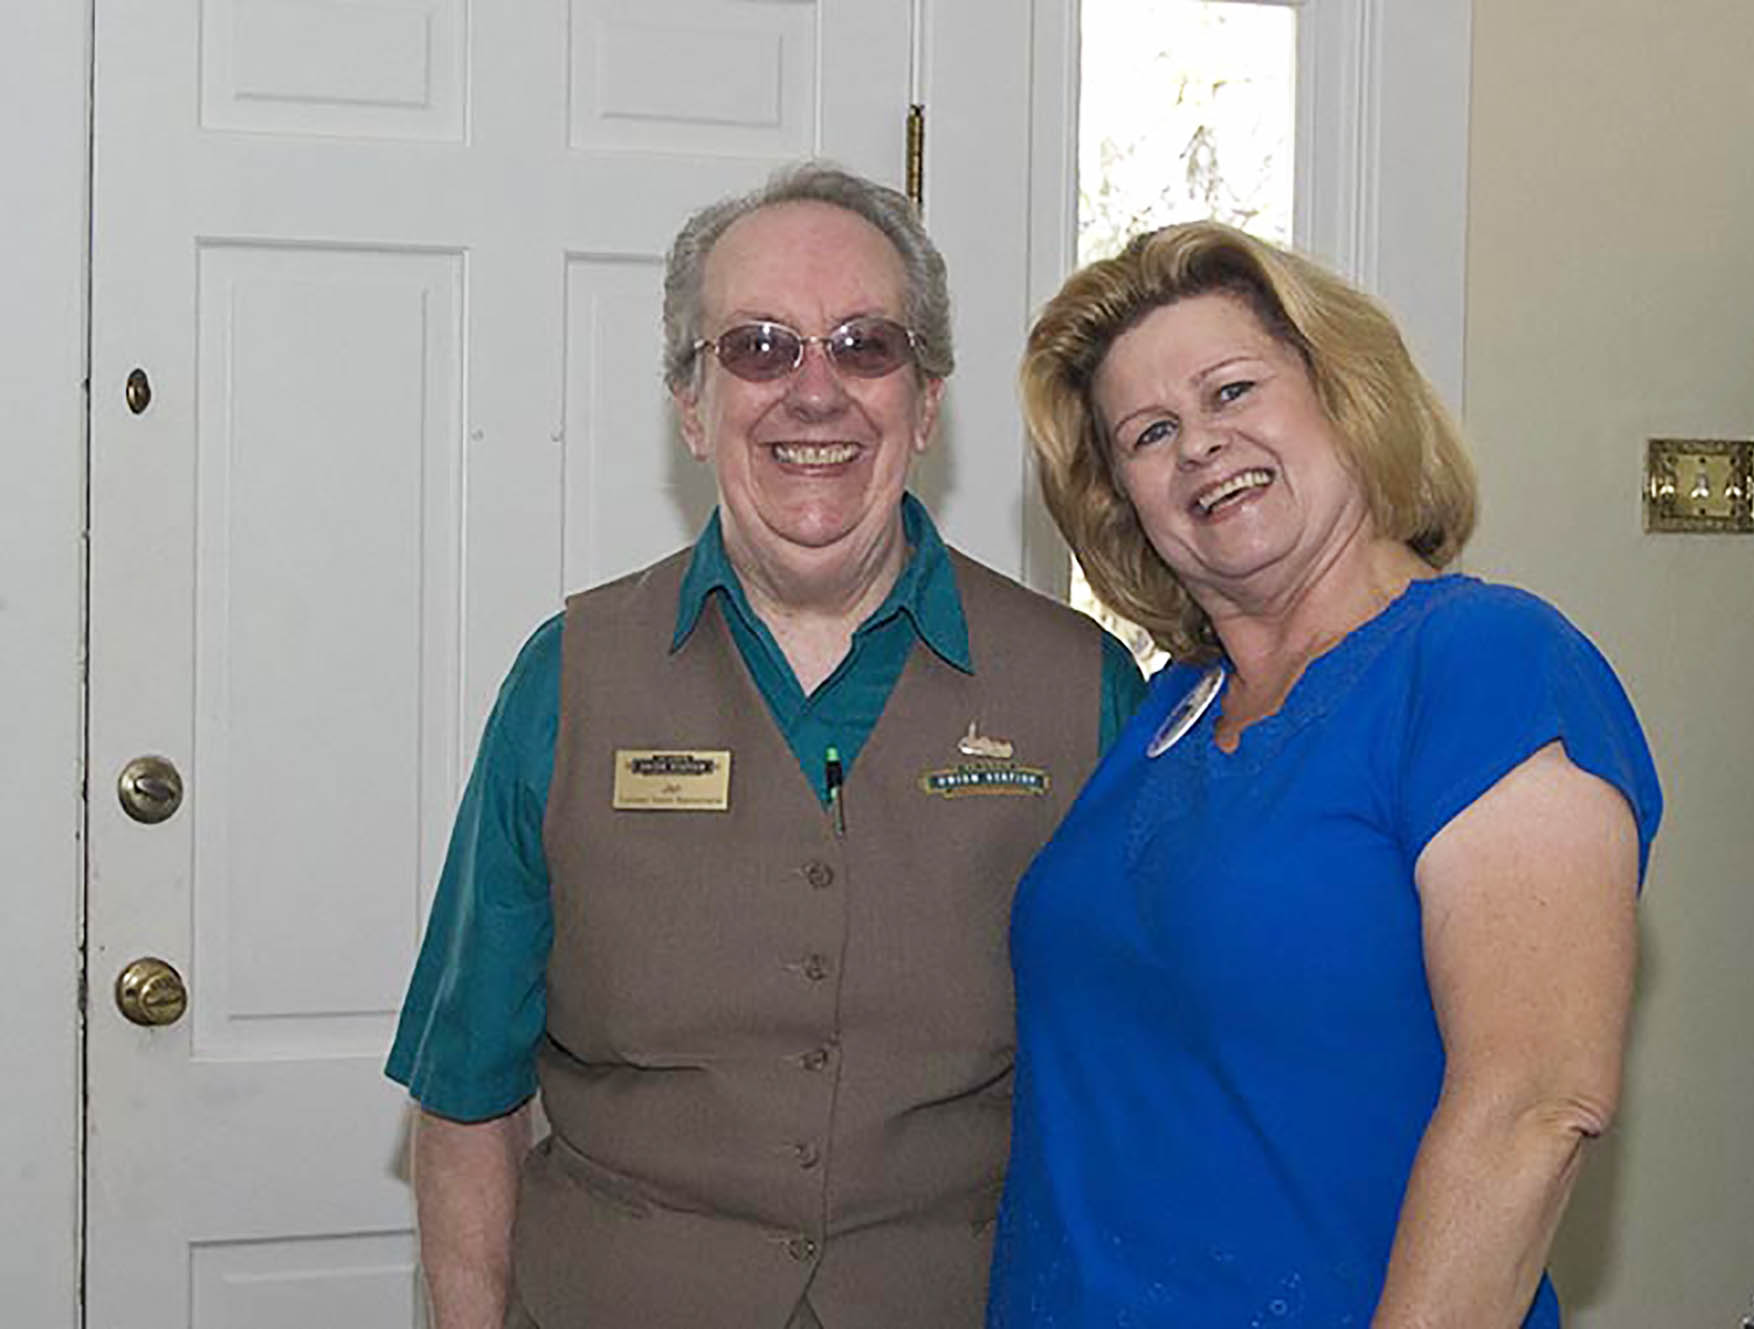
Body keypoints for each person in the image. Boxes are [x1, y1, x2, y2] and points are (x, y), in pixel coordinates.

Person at [386, 162, 1146, 1329]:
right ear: (690, 408)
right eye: (757, 348)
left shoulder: (1079, 690)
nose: (814, 391)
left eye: (863, 345)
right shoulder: (568, 679)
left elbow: (1148, 1089)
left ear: (926, 403)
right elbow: (464, 1095)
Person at [987, 221, 1662, 1328]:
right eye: (1149, 432)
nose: (1200, 445)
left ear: (1342, 396)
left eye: (1232, 390)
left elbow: (1533, 1107)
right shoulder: (1164, 711)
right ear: (1123, 502)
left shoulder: (1483, 662)